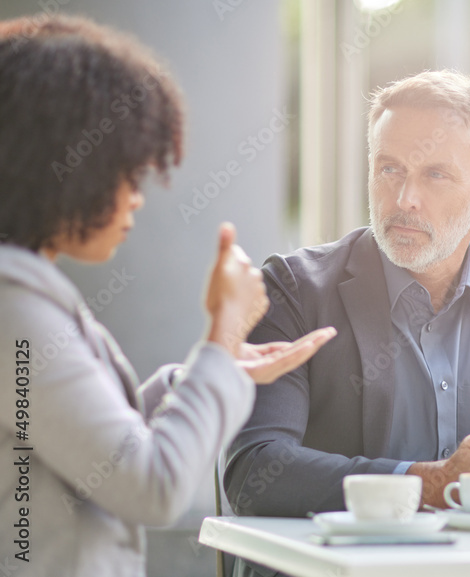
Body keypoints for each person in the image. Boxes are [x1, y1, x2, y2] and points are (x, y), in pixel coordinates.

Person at [223, 70, 470, 534]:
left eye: (436, 174)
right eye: (389, 168)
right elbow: (255, 472)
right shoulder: (295, 288)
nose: (405, 198)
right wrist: (428, 485)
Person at [0, 15, 334, 577]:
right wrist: (224, 336)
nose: (137, 197)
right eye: (126, 172)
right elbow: (149, 485)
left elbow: (87, 441)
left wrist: (211, 368)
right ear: (54, 162)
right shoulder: (15, 308)